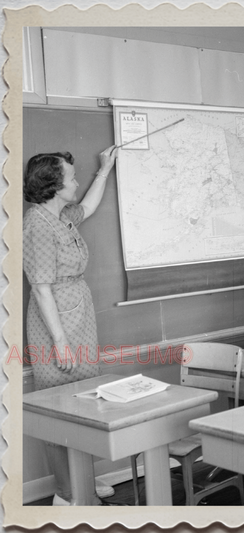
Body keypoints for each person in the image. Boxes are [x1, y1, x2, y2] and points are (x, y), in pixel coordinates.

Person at [23, 146, 118, 506]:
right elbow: (41, 287)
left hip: (78, 316)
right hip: (57, 324)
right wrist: (60, 342)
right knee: (59, 410)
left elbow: (89, 207)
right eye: (71, 177)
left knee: (82, 404)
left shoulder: (60, 215)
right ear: (53, 185)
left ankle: (83, 486)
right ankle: (67, 495)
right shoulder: (36, 224)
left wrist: (104, 169)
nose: (76, 182)